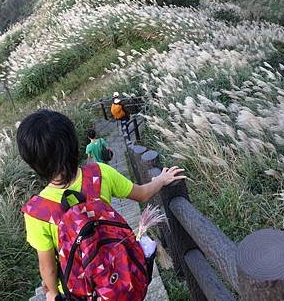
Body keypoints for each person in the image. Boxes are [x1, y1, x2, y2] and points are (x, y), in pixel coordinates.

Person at [17, 109, 185, 301]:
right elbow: (143, 194)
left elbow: (48, 267)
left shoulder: (37, 212)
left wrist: (52, 294)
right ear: (74, 145)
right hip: (119, 274)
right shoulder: (100, 173)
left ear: (32, 162)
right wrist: (161, 179)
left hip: (80, 292)